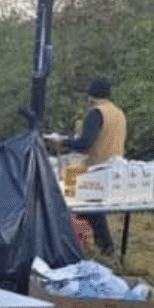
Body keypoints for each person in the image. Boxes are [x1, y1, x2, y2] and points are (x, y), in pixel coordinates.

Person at [53, 79, 127, 255]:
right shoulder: (118, 113)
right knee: (92, 210)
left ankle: (74, 244)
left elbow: (85, 143)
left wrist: (63, 142)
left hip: (96, 169)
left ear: (91, 96)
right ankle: (104, 246)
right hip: (117, 169)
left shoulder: (96, 113)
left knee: (73, 203)